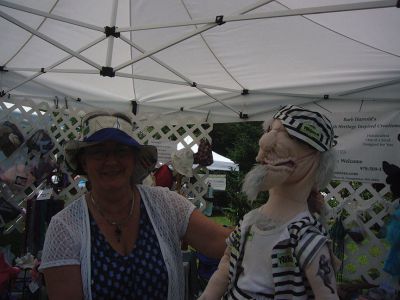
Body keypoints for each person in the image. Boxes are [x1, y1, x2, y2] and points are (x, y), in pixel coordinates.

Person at [38, 111, 231, 300]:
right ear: (84, 162)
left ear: (134, 159)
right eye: (98, 152)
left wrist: (259, 224)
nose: (111, 161)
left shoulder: (166, 204)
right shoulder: (64, 227)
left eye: (121, 151)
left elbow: (225, 243)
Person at [200, 104, 340, 299]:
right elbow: (226, 265)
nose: (265, 141)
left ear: (316, 158)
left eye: (290, 135)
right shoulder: (249, 221)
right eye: (270, 130)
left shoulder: (306, 236)